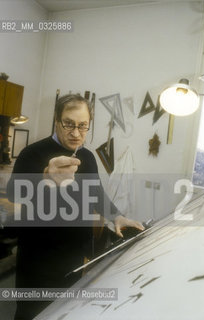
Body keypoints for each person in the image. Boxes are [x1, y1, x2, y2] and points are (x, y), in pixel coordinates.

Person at [7, 94, 144, 319]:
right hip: (38, 257)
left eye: (83, 126)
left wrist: (116, 216)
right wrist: (44, 176)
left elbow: (96, 193)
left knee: (63, 311)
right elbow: (14, 193)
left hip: (74, 255)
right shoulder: (32, 153)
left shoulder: (87, 157)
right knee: (31, 312)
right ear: (57, 120)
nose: (76, 133)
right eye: (69, 124)